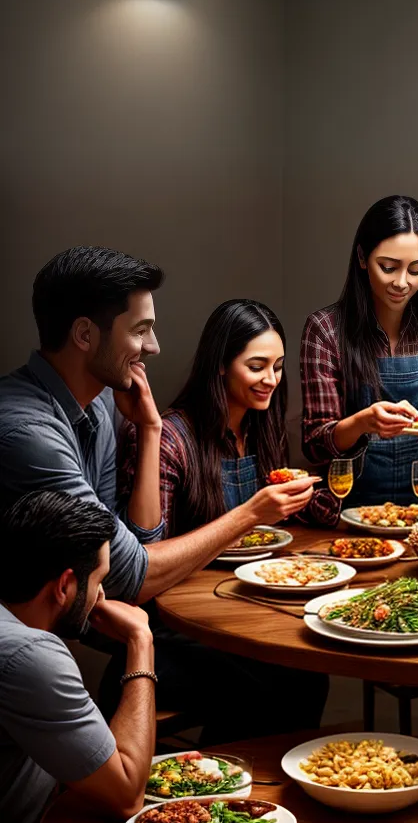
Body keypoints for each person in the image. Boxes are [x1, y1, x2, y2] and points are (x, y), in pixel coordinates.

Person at [0, 246, 316, 607]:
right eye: (140, 331)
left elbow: (130, 542)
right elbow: (128, 574)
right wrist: (251, 513)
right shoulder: (29, 434)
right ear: (85, 335)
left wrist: (150, 430)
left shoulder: (103, 405)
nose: (154, 346)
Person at [116, 299, 328, 740]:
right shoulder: (171, 436)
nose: (271, 380)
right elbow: (141, 566)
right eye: (257, 366)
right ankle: (232, 790)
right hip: (168, 629)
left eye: (278, 366)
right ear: (220, 367)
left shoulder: (259, 429)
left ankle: (253, 790)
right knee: (283, 682)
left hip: (236, 611)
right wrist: (252, 512)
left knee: (308, 672)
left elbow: (304, 521)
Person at [0, 492, 156, 823]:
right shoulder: (29, 656)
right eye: (100, 582)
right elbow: (127, 791)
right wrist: (140, 642)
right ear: (65, 585)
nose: (103, 598)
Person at [301, 195, 418, 520]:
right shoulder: (326, 330)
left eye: (416, 269)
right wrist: (362, 422)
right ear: (361, 257)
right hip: (350, 512)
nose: (402, 283)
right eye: (388, 267)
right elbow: (315, 443)